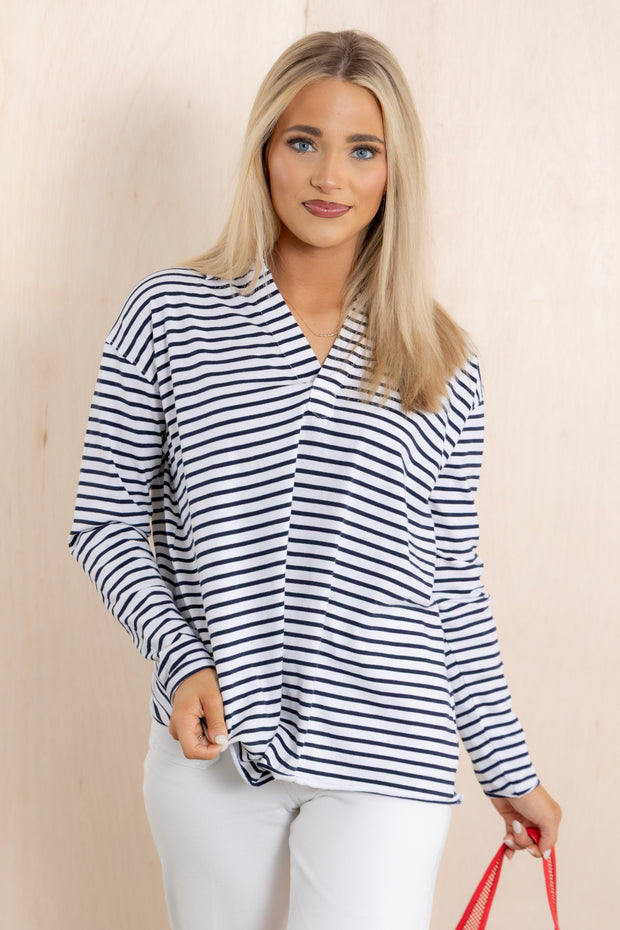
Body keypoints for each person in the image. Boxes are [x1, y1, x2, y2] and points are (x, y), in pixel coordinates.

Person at [69, 29, 561, 930]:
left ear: (395, 171)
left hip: (389, 750)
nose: (329, 176)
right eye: (304, 141)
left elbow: (451, 581)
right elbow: (103, 523)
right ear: (265, 149)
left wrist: (506, 766)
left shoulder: (442, 358)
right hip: (216, 747)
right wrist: (183, 662)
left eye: (363, 150)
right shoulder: (169, 313)